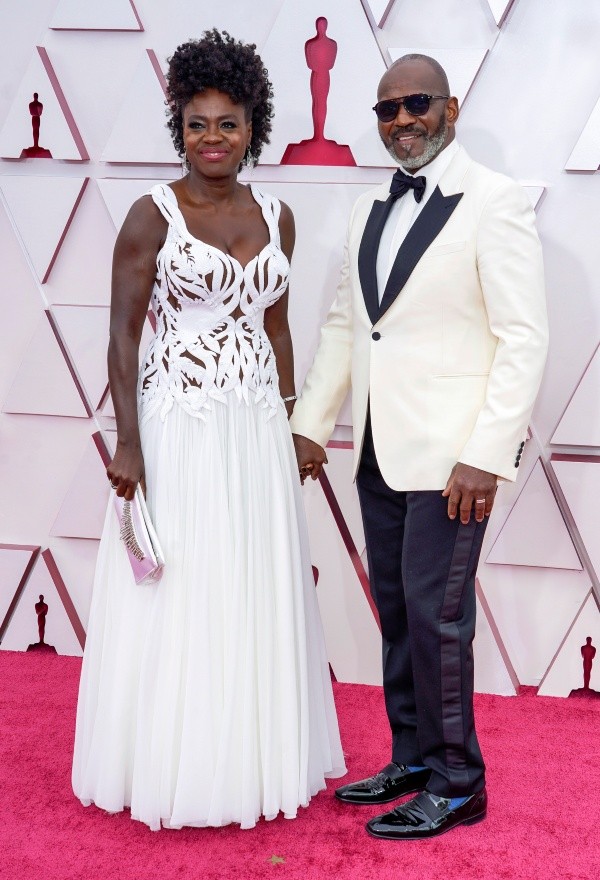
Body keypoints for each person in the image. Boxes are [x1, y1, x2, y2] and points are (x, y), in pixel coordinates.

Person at [72, 29, 345, 832]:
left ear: (253, 126)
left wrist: (293, 422)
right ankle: (173, 765)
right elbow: (122, 337)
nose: (213, 138)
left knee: (248, 583)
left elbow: (278, 327)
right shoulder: (149, 216)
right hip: (179, 427)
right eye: (198, 124)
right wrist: (128, 444)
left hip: (254, 428)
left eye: (228, 123)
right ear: (179, 128)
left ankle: (246, 759)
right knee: (184, 587)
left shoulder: (278, 215)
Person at [291, 54, 548, 840]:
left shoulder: (495, 201)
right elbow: (348, 325)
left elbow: (524, 338)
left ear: (450, 108)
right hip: (379, 450)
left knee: (439, 621)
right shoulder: (369, 207)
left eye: (417, 103)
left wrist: (487, 452)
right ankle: (413, 759)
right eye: (387, 109)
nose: (402, 120)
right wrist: (310, 425)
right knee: (401, 615)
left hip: (452, 461)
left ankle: (458, 782)